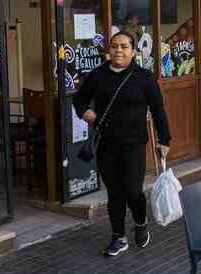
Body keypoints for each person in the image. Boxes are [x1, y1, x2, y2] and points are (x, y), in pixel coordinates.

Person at [73, 31, 171, 257]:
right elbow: (79, 99)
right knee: (114, 193)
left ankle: (140, 221)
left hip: (134, 144)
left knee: (132, 190)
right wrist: (84, 111)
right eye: (115, 46)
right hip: (106, 144)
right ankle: (118, 237)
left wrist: (164, 139)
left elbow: (158, 110)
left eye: (124, 46)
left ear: (133, 51)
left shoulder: (144, 77)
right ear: (109, 49)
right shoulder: (98, 75)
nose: (118, 50)